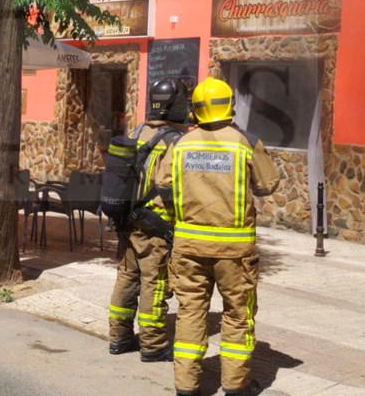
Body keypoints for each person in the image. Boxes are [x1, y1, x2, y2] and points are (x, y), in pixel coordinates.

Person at [153, 77, 281, 396]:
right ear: (230, 107)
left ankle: (186, 385)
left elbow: (162, 183)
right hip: (234, 252)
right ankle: (235, 385)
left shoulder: (180, 143)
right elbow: (268, 185)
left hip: (188, 248)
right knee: (237, 314)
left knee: (190, 312)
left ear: (195, 110)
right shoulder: (246, 142)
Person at [108, 77, 192, 363]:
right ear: (176, 106)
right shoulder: (175, 140)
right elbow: (169, 187)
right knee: (154, 283)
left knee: (128, 278)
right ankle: (153, 344)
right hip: (155, 225)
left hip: (129, 221)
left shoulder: (138, 130)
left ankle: (118, 337)